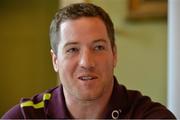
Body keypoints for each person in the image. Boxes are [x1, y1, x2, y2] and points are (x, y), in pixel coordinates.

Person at [2, 3, 176, 119]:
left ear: (114, 54)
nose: (86, 62)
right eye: (72, 50)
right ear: (55, 60)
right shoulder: (25, 117)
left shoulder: (148, 116)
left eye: (98, 47)